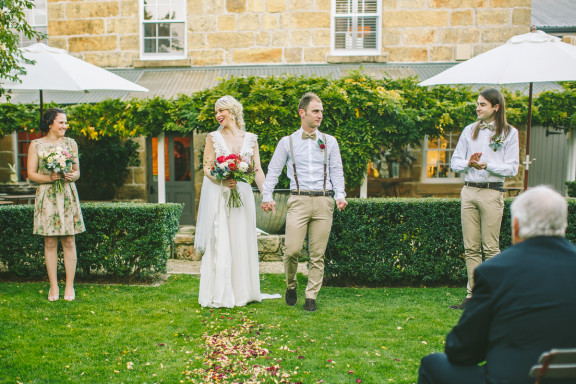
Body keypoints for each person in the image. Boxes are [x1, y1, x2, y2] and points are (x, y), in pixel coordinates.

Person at [418, 185, 576, 384]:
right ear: (564, 225)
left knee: (432, 363)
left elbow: (461, 351)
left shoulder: (496, 270)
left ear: (516, 226)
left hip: (509, 379)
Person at [261, 92, 347, 312]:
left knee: (318, 254)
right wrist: (267, 196)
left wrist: (340, 195)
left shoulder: (330, 141)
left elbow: (337, 170)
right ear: (302, 113)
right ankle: (291, 285)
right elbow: (273, 170)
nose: (319, 116)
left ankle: (311, 296)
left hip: (323, 201)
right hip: (298, 200)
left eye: (321, 112)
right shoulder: (286, 142)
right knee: (291, 250)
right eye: (315, 111)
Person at [194, 95, 279, 308]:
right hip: (222, 195)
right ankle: (222, 292)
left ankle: (244, 291)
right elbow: (207, 167)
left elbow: (257, 169)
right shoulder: (213, 137)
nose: (217, 115)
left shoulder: (250, 138)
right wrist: (221, 180)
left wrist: (267, 196)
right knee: (222, 240)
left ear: (232, 111)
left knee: (242, 240)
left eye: (220, 111)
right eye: (216, 112)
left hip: (243, 195)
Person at [449, 88, 519, 310]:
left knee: (490, 247)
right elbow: (454, 162)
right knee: (470, 247)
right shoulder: (470, 130)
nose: (477, 108)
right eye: (477, 104)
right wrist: (468, 163)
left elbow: (512, 168)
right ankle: (472, 297)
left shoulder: (510, 133)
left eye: (482, 105)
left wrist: (488, 164)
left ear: (495, 107)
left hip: (492, 191)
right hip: (469, 190)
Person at [27, 108, 85, 302]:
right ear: (50, 123)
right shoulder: (36, 145)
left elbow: (77, 171)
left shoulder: (71, 144)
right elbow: (32, 174)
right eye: (61, 122)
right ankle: (54, 286)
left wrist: (71, 175)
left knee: (69, 240)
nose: (65, 126)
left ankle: (69, 286)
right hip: (47, 196)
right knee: (50, 242)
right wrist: (50, 178)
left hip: (67, 194)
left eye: (66, 123)